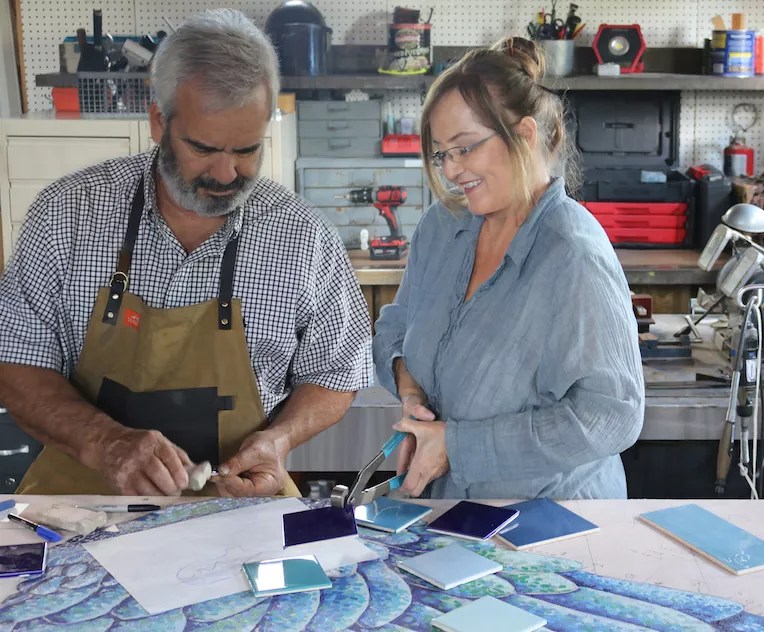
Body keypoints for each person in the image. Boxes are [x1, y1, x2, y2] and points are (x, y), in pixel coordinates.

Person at [0, 9, 372, 497]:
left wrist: (278, 440)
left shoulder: (302, 236)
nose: (226, 174)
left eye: (247, 150)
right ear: (159, 121)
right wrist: (103, 442)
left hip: (239, 503)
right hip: (81, 506)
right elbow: (15, 364)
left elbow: (336, 372)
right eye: (204, 148)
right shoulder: (68, 214)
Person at [372, 37, 643, 499]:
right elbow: (396, 325)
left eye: (465, 148)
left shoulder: (573, 254)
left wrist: (457, 446)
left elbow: (612, 416)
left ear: (525, 135)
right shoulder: (442, 225)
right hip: (455, 515)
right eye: (441, 154)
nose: (451, 171)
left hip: (556, 521)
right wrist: (412, 394)